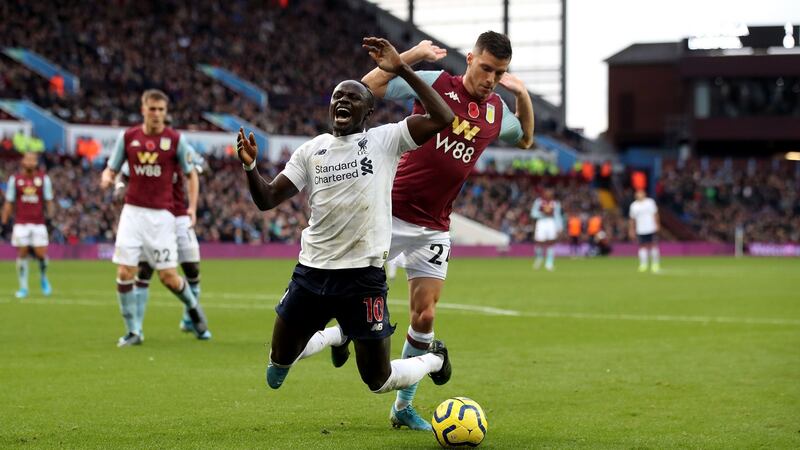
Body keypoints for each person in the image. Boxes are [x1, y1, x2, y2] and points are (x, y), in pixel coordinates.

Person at [326, 31, 531, 430]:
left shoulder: (495, 112)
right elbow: (368, 87)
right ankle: (345, 331)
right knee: (351, 290)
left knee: (425, 315)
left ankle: (402, 407)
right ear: (470, 59)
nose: (491, 78)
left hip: (435, 226)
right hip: (390, 211)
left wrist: (521, 94)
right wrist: (413, 55)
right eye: (486, 68)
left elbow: (525, 138)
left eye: (500, 72)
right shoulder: (437, 83)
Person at [236, 37, 454, 399]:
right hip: (311, 274)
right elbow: (267, 198)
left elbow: (443, 117)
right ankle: (339, 333)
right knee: (276, 367)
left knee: (378, 380)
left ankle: (433, 359)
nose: (343, 100)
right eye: (338, 95)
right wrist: (251, 167)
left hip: (362, 278)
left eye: (353, 97)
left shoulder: (386, 140)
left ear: (368, 112)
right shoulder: (311, 150)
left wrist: (401, 67)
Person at [100, 89, 209, 347]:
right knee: (126, 271)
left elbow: (192, 173)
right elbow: (112, 168)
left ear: (165, 112)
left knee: (169, 277)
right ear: (143, 110)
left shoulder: (175, 140)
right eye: (153, 109)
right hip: (132, 213)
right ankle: (133, 331)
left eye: (161, 110)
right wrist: (107, 177)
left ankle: (193, 308)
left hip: (163, 217)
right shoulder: (128, 138)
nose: (157, 114)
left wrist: (192, 208)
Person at [113, 148, 208, 339]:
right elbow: (122, 174)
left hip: (179, 215)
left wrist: (198, 167)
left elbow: (202, 166)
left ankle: (190, 319)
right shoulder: (140, 152)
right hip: (150, 217)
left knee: (192, 269)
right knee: (144, 270)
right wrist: (120, 187)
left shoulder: (180, 147)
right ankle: (136, 329)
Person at [1, 152, 55, 298]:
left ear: (37, 162)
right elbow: (9, 201)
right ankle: (23, 287)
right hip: (21, 222)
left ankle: (43, 277)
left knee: (40, 254)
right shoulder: (15, 180)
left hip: (38, 222)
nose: (31, 162)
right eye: (28, 159)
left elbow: (49, 200)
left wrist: (51, 218)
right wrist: (4, 220)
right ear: (23, 162)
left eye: (33, 160)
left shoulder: (44, 179)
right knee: (22, 253)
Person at [629, 189, 661, 273]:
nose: (639, 194)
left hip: (651, 228)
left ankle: (655, 264)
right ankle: (643, 264)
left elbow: (655, 214)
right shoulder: (634, 205)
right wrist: (632, 230)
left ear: (644, 193)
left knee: (653, 245)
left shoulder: (650, 202)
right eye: (638, 193)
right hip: (640, 229)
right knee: (642, 246)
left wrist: (657, 224)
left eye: (641, 193)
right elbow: (632, 219)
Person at [531, 188, 562, 271]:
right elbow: (533, 213)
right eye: (547, 192)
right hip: (541, 222)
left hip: (551, 223)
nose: (549, 194)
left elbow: (557, 215)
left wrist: (559, 227)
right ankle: (539, 258)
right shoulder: (539, 202)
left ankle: (549, 263)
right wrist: (542, 214)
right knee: (539, 242)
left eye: (550, 193)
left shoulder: (555, 203)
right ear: (544, 193)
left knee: (551, 242)